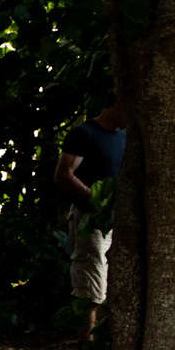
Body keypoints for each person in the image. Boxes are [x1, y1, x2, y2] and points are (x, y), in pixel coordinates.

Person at [52, 96, 129, 306]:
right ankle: (85, 337)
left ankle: (102, 336)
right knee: (92, 279)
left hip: (118, 218)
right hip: (90, 218)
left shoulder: (124, 137)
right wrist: (94, 198)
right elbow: (63, 175)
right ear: (116, 104)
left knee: (113, 278)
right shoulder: (84, 133)